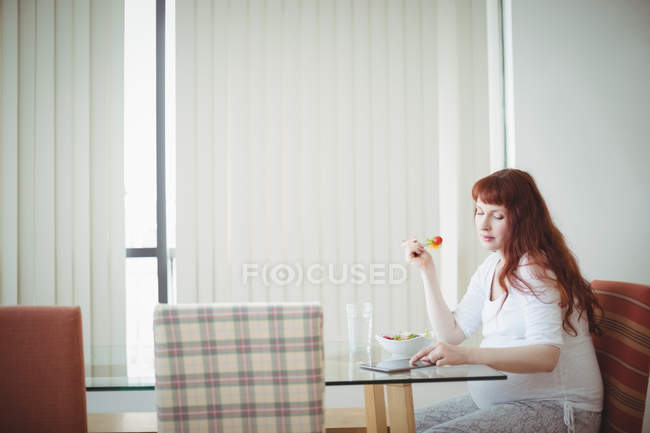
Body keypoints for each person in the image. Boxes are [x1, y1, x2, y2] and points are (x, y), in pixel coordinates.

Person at [402, 169, 603, 433]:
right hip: (505, 402)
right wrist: (427, 271)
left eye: (497, 216)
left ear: (522, 219)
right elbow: (451, 334)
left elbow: (546, 356)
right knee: (400, 426)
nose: (483, 224)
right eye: (479, 211)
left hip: (559, 409)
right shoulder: (492, 265)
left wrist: (467, 356)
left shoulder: (535, 270)